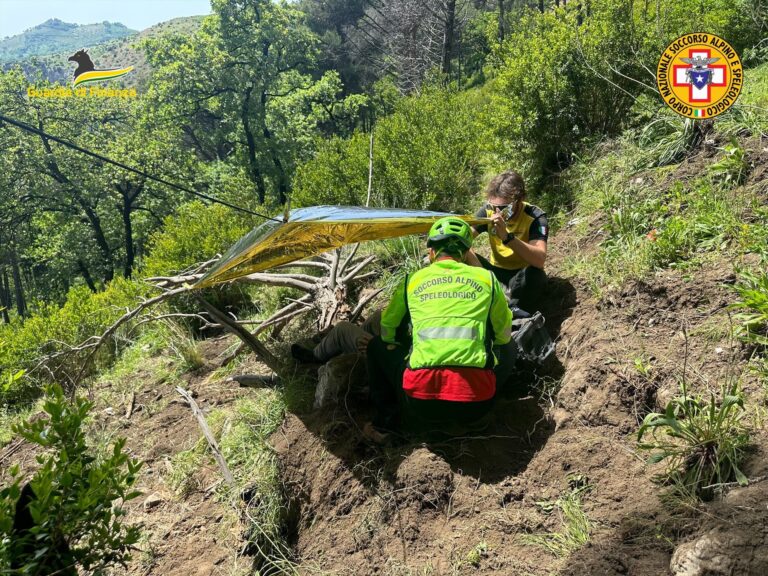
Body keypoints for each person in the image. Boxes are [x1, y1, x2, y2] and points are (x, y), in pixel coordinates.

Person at [365, 216, 515, 440]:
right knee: (510, 347)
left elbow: (389, 332)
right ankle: (485, 411)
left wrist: (409, 343)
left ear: (432, 253)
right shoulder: (487, 279)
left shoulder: (412, 280)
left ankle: (389, 420)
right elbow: (503, 335)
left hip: (421, 404)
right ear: (464, 254)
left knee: (376, 346)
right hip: (476, 405)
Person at [468, 170, 548, 314]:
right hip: (494, 272)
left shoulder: (534, 215)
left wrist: (507, 237)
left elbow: (539, 259)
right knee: (461, 252)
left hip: (521, 274)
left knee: (537, 276)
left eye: (505, 208)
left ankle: (513, 312)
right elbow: (463, 238)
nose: (498, 212)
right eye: (494, 206)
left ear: (521, 199)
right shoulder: (487, 212)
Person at [291, 310, 381, 363]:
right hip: (390, 347)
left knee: (342, 329)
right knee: (378, 316)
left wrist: (380, 347)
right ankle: (349, 340)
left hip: (387, 358)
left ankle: (315, 355)